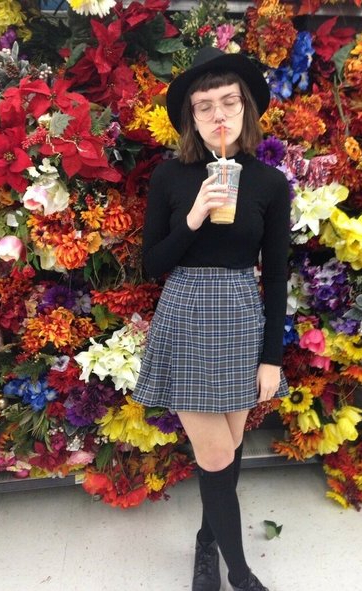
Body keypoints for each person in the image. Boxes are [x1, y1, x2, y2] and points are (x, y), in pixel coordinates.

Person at [132, 46, 290, 591]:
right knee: (217, 451)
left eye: (228, 102)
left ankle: (206, 540)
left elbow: (276, 276)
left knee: (230, 446)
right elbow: (153, 265)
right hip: (186, 314)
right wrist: (195, 216)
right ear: (192, 118)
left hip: (242, 318)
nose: (218, 115)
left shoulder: (270, 183)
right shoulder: (170, 178)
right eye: (205, 106)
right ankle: (241, 577)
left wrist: (271, 358)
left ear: (245, 109)